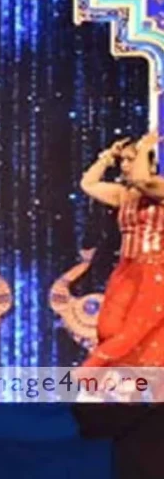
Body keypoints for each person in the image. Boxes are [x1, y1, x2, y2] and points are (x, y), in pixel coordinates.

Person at [79, 133, 164, 380]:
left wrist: (146, 146)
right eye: (123, 161)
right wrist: (107, 158)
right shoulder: (124, 194)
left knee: (134, 332)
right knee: (109, 328)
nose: (125, 165)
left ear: (150, 163)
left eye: (131, 159)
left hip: (156, 270)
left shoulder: (158, 187)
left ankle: (83, 380)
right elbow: (89, 184)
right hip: (127, 270)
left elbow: (141, 179)